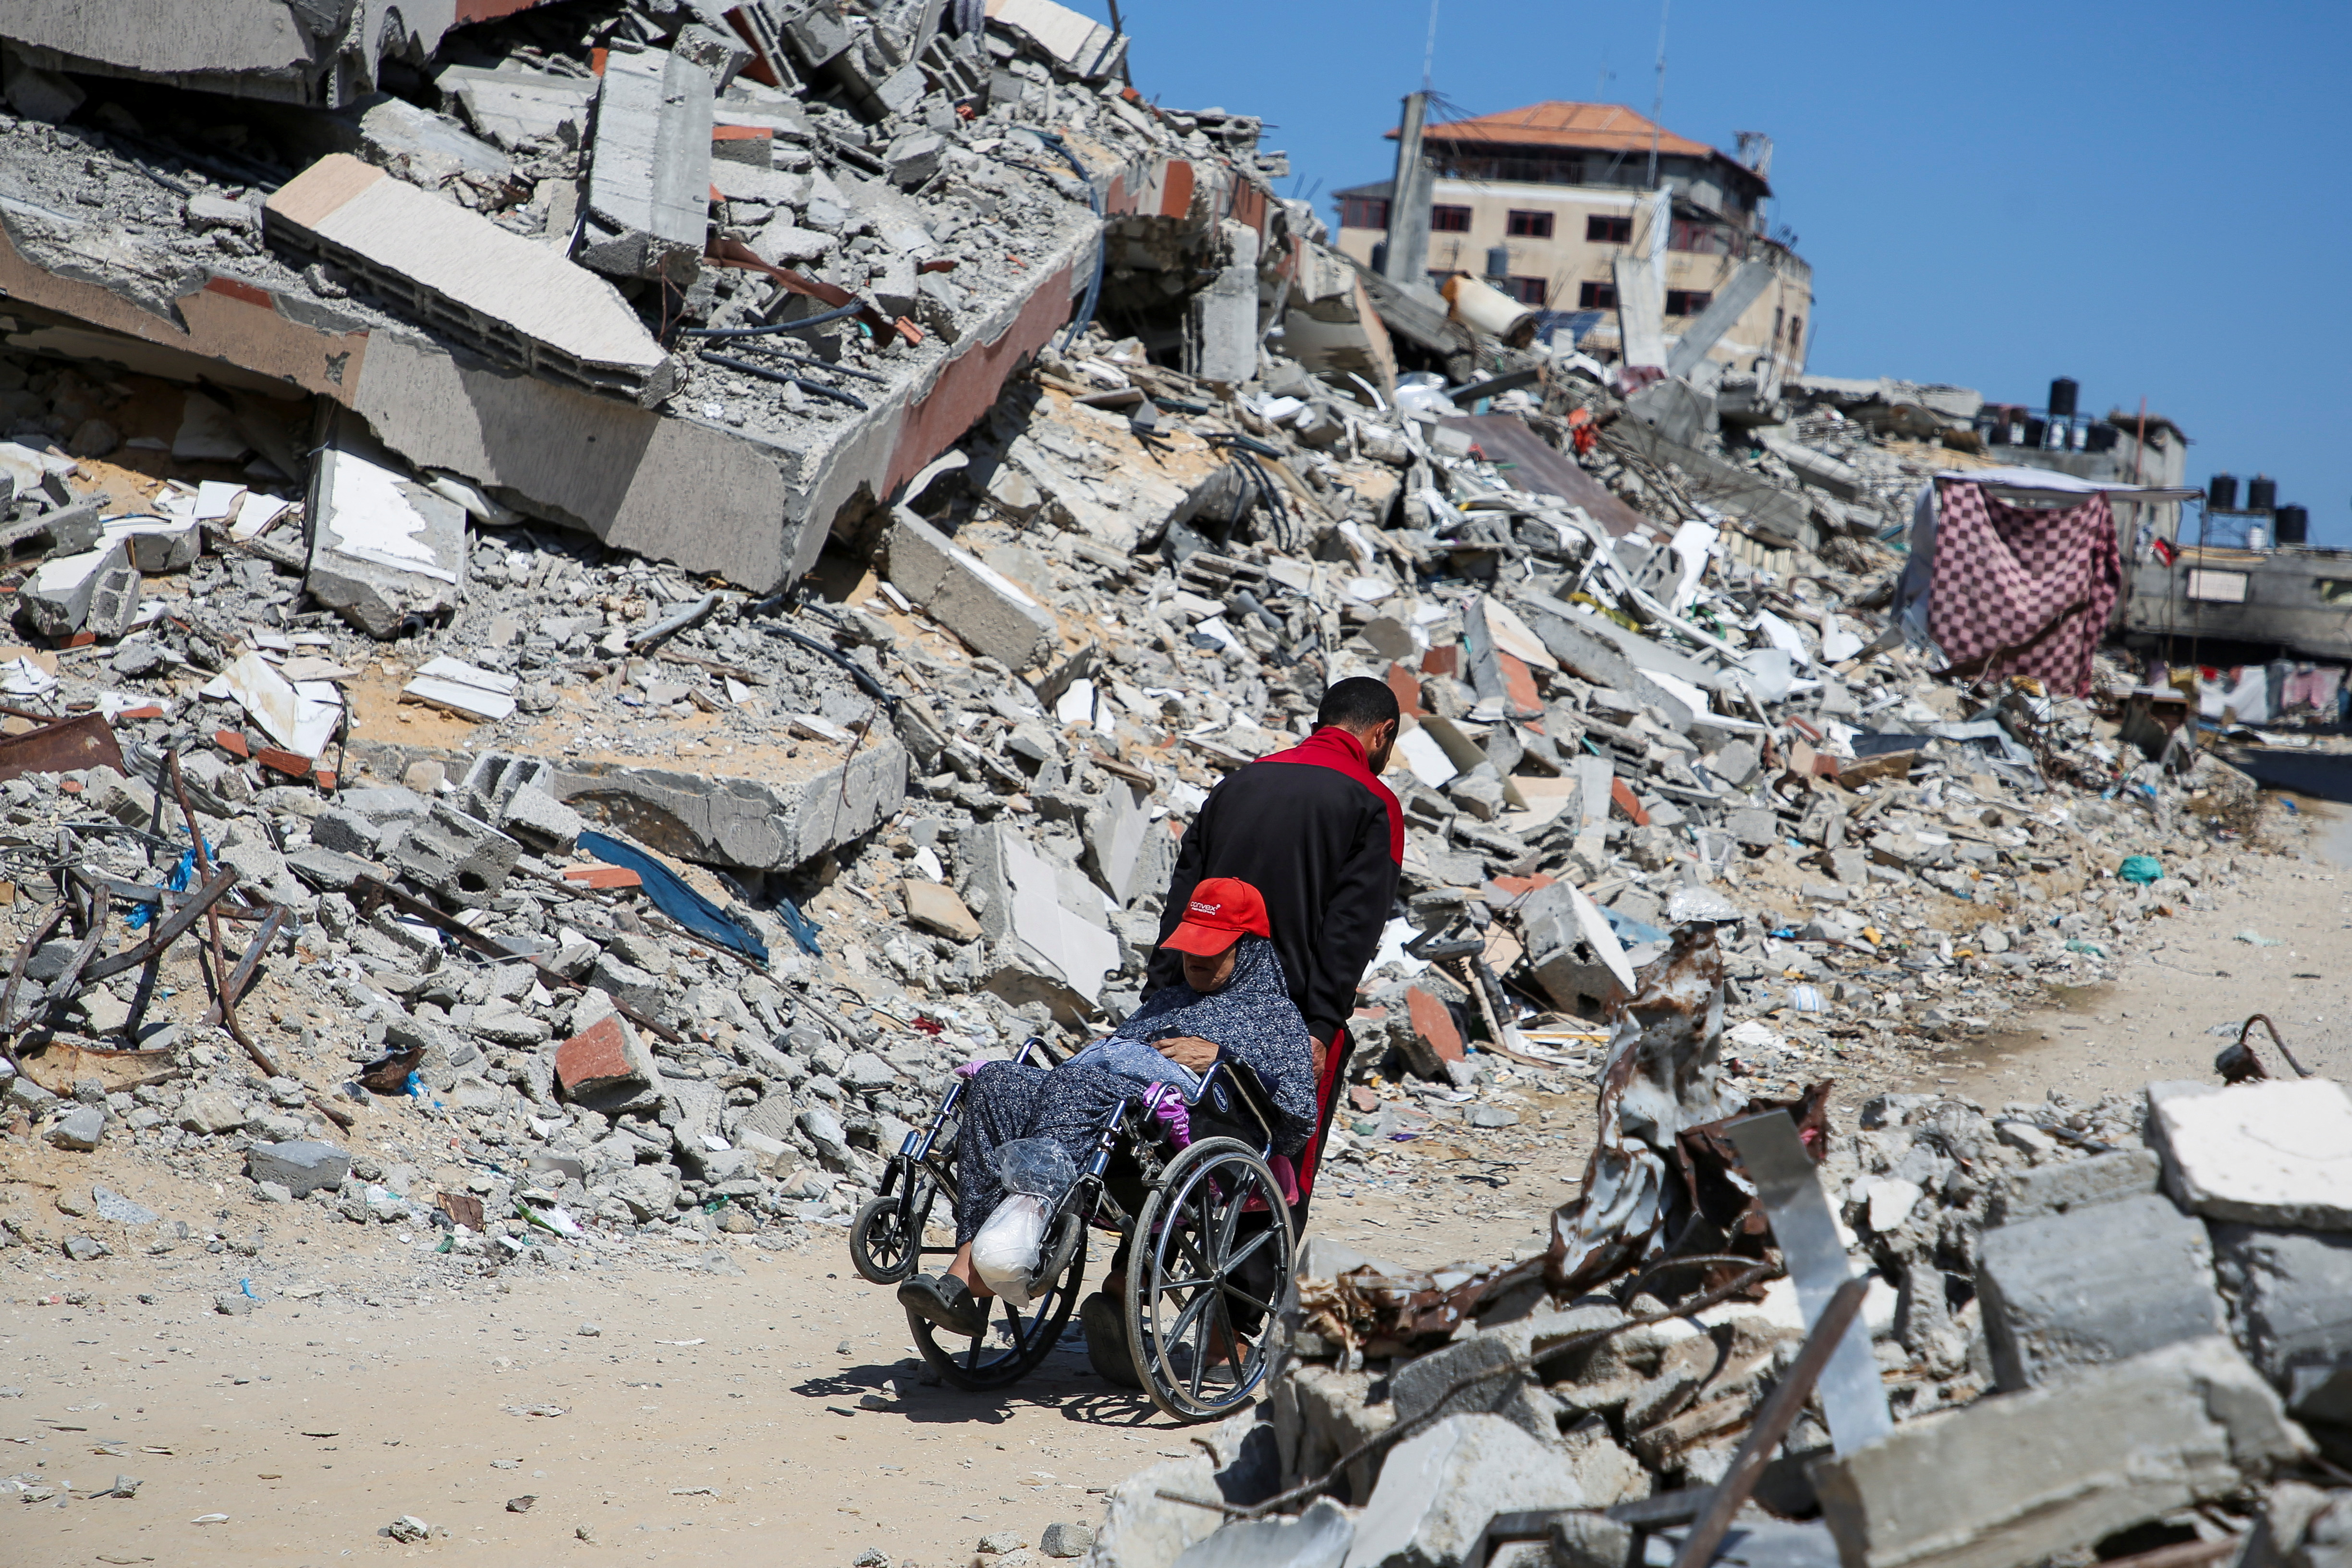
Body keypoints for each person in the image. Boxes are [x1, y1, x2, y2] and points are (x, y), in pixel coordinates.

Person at [898, 878, 1315, 1340]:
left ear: (1250, 949)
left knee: (1081, 1085)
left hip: (1168, 1143)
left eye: (1212, 948)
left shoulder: (1275, 1017)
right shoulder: (1167, 1000)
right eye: (1190, 945)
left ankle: (1002, 1254)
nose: (1195, 957)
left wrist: (1223, 1058)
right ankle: (968, 1261)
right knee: (998, 1080)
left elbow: (1294, 1114)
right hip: (1102, 1115)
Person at [1146, 676, 1404, 1185]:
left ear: (1319, 724)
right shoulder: (1375, 804)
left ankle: (1141, 1262)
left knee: (1169, 1143)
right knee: (1272, 1171)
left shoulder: (1238, 784)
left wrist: (1159, 993)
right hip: (1285, 1021)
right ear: (1383, 733)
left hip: (1194, 995)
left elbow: (1183, 899)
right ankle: (1255, 1267)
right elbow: (1351, 926)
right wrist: (1323, 1025)